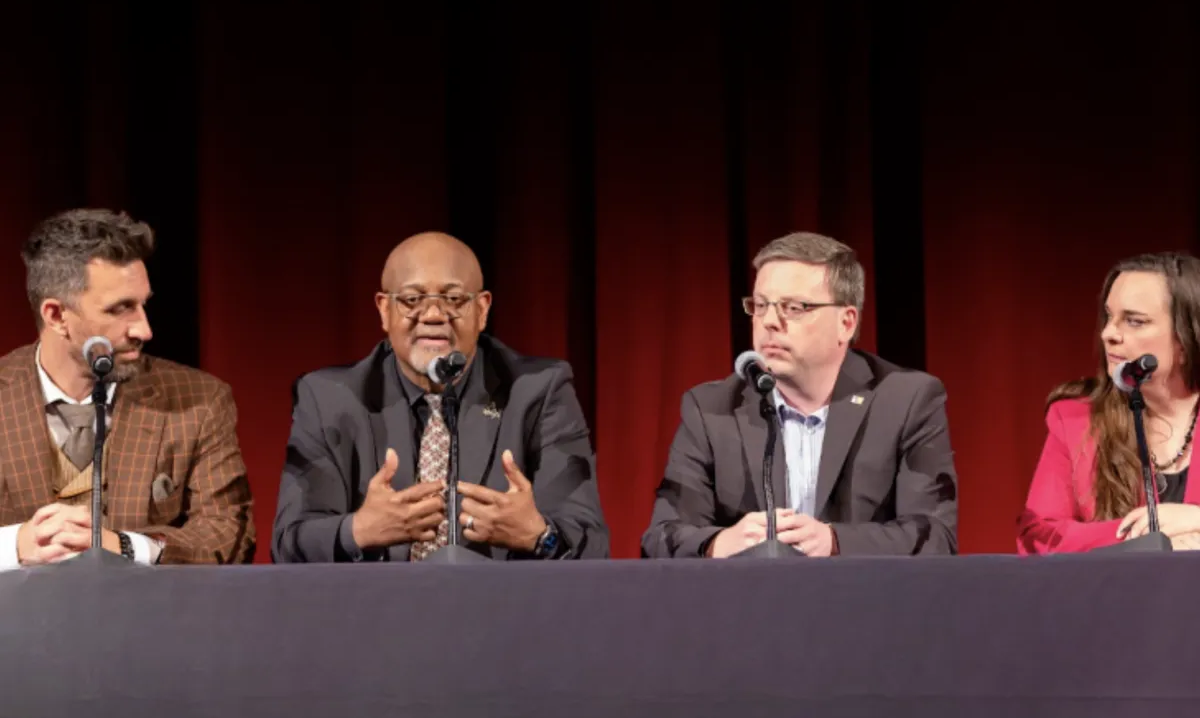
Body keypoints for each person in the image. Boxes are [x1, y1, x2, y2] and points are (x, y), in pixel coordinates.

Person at [272, 232, 608, 562]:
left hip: (502, 610)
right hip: (374, 610)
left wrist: (539, 536)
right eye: (412, 300)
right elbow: (289, 542)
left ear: (482, 309)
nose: (433, 315)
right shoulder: (329, 399)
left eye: (454, 299)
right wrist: (358, 530)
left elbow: (591, 543)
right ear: (384, 310)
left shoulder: (538, 391)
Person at [642, 231, 958, 558]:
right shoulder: (711, 410)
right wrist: (717, 544)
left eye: (793, 307)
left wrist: (835, 541)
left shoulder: (907, 400)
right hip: (751, 604)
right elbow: (662, 536)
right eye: (761, 305)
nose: (769, 322)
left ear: (846, 323)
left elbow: (935, 536)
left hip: (865, 602)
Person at [0, 208, 256, 567]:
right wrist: (14, 545)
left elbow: (230, 535)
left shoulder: (199, 401)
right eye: (120, 309)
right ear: (56, 316)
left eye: (142, 305)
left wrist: (127, 547)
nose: (144, 330)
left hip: (146, 620)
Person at [1018, 252, 1200, 553]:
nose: (1108, 334)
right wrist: (1144, 538)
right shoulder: (1077, 419)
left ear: (1187, 339)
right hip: (1117, 595)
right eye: (1109, 317)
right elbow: (1038, 535)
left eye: (1134, 321)